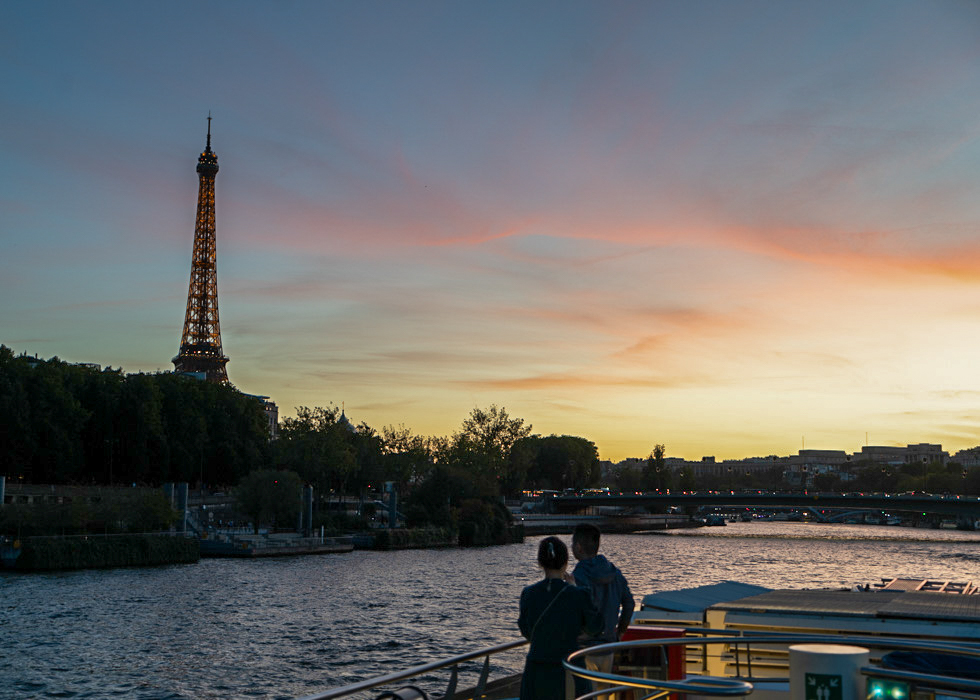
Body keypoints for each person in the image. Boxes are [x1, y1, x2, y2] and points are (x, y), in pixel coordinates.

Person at [519, 536, 602, 700]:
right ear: (565, 563)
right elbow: (596, 627)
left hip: (536, 671)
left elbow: (526, 630)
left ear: (540, 563)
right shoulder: (578, 594)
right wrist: (576, 590)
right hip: (568, 670)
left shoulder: (528, 593)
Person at [567, 524, 635, 694]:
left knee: (584, 694)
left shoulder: (578, 576)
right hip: (608, 646)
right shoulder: (615, 573)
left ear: (578, 547)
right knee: (604, 694)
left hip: (584, 648)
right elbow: (629, 603)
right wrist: (620, 631)